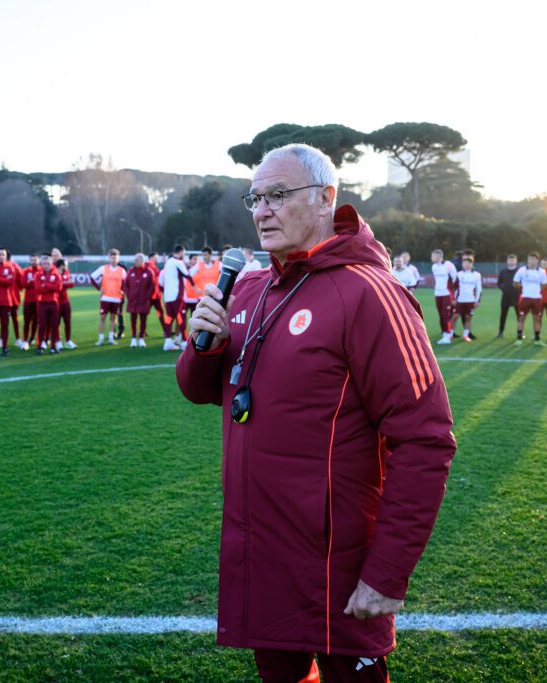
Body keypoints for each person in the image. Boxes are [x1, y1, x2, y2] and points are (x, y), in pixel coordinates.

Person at [178, 144, 455, 682]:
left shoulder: (371, 293)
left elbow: (426, 440)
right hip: (263, 555)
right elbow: (198, 389)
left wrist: (388, 573)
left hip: (338, 569)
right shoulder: (251, 289)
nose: (262, 210)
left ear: (327, 198)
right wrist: (204, 344)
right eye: (255, 198)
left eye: (278, 196)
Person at [91, 248, 126, 346]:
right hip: (105, 298)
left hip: (116, 298)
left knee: (113, 318)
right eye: (112, 258)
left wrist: (122, 290)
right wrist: (99, 289)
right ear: (109, 258)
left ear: (118, 259)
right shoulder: (103, 268)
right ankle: (101, 339)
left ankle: (111, 338)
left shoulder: (121, 271)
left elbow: (126, 283)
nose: (113, 260)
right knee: (102, 317)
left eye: (115, 258)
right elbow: (92, 277)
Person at [513, 252, 547, 347]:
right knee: (521, 318)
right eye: (530, 259)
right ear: (528, 260)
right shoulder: (522, 270)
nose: (532, 261)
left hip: (537, 299)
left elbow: (544, 284)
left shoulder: (542, 271)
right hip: (525, 298)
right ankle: (519, 338)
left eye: (534, 259)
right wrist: (523, 288)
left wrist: (537, 290)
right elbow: (515, 283)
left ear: (537, 261)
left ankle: (537, 339)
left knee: (537, 319)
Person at [160, 244, 191, 351]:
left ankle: (167, 342)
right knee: (181, 318)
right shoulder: (178, 262)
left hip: (168, 297)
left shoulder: (167, 263)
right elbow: (187, 275)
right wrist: (195, 287)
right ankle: (184, 342)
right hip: (177, 296)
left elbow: (161, 283)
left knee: (169, 318)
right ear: (182, 252)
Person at [123, 252, 156, 347]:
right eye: (134, 260)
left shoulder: (149, 272)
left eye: (137, 260)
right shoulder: (130, 271)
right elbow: (125, 285)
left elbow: (152, 286)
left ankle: (141, 338)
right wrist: (129, 295)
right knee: (133, 320)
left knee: (143, 320)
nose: (135, 262)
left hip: (144, 301)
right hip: (132, 301)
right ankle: (133, 338)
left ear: (142, 261)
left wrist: (147, 297)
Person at [33, 253, 62, 355]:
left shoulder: (56, 274)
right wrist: (50, 286)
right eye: (44, 263)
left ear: (51, 263)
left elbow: (58, 287)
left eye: (48, 263)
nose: (46, 265)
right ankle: (40, 346)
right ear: (41, 264)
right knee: (41, 325)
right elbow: (37, 289)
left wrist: (45, 284)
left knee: (54, 325)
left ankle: (53, 346)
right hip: (42, 303)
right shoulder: (37, 275)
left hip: (53, 303)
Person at [430, 249, 458, 345]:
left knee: (446, 314)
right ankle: (444, 334)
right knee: (441, 315)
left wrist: (454, 296)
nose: (431, 258)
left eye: (433, 256)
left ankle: (447, 336)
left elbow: (455, 280)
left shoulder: (449, 265)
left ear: (439, 256)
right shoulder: (434, 267)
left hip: (447, 294)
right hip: (437, 294)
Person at [452, 255, 482, 342]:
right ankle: (450, 334)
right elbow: (455, 288)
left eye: (469, 263)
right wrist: (454, 299)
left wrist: (477, 301)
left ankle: (465, 335)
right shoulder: (459, 274)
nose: (467, 265)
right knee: (454, 317)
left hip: (471, 300)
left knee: (468, 318)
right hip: (460, 300)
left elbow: (479, 289)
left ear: (472, 264)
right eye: (465, 263)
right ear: (462, 264)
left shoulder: (477, 275)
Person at [53, 252, 77, 350]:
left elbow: (71, 284)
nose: (67, 267)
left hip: (65, 302)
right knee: (56, 323)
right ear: (62, 266)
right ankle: (57, 341)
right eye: (66, 266)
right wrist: (64, 283)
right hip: (56, 302)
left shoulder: (66, 273)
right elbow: (56, 287)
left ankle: (68, 340)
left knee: (67, 322)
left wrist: (63, 284)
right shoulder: (54, 274)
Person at [22, 253, 41, 350]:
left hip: (39, 300)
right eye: (32, 260)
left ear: (38, 260)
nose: (34, 262)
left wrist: (33, 282)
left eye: (35, 260)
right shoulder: (26, 271)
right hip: (28, 300)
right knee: (27, 321)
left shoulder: (41, 271)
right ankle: (25, 341)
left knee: (36, 321)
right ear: (30, 261)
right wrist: (33, 282)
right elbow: (23, 284)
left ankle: (32, 338)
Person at [497, 254, 519, 338]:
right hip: (505, 297)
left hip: (517, 297)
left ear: (516, 261)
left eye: (513, 260)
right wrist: (503, 288)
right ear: (507, 261)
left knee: (519, 316)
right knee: (503, 315)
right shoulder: (503, 271)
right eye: (510, 260)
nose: (511, 262)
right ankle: (500, 332)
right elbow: (499, 283)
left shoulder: (519, 271)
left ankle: (520, 332)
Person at [146, 250, 166, 334]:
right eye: (156, 257)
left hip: (156, 295)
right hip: (150, 295)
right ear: (151, 258)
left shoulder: (153, 266)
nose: (157, 259)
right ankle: (166, 331)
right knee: (146, 313)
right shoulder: (148, 266)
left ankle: (166, 330)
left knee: (160, 313)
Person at [183, 253, 202, 323]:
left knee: (194, 319)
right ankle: (178, 334)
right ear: (190, 260)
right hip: (186, 298)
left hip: (196, 298)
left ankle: (192, 334)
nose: (196, 260)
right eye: (194, 259)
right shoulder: (185, 269)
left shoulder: (200, 270)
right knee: (182, 317)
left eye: (197, 259)